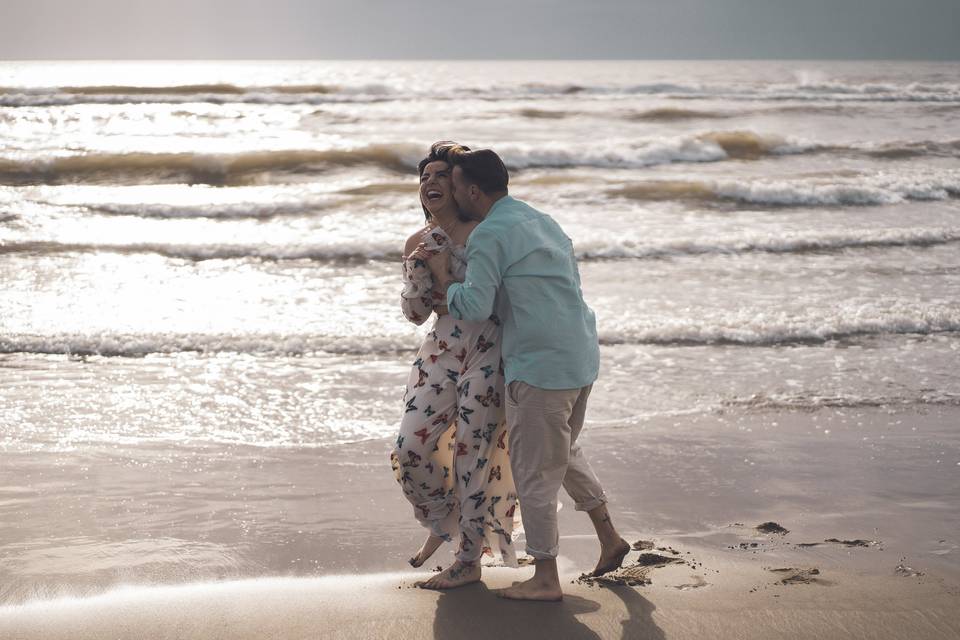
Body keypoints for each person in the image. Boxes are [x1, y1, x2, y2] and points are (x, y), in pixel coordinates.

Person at [423, 145, 630, 601]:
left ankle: (546, 578)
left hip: (538, 365)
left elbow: (474, 305)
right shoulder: (540, 219)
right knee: (562, 450)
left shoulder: (490, 234)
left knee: (533, 472)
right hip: (579, 354)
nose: (450, 191)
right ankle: (610, 537)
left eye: (454, 184)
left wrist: (443, 279)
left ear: (471, 190)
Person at [390, 142, 518, 590]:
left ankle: (468, 561)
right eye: (424, 177)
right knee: (410, 449)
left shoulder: (483, 231)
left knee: (472, 454)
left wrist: (445, 271)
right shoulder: (415, 241)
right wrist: (418, 269)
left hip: (488, 347)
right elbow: (415, 315)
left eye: (441, 175)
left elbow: (490, 302)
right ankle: (447, 524)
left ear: (461, 186)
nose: (430, 183)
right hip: (439, 352)